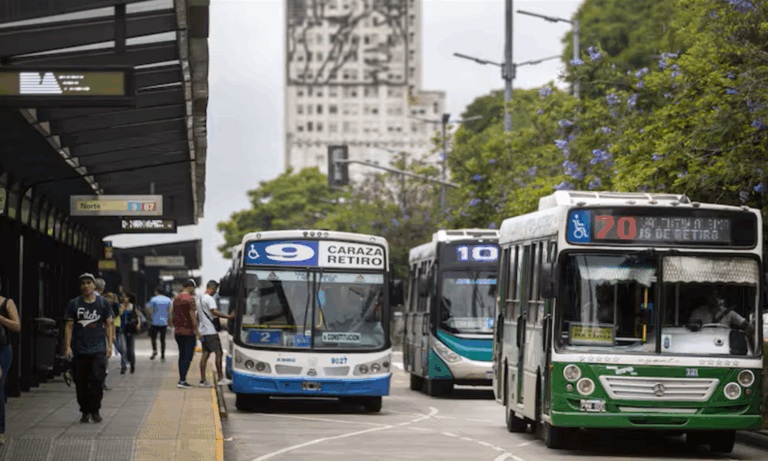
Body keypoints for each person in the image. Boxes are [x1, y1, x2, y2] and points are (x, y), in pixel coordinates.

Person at [64, 273, 113, 423]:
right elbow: (69, 326)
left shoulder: (103, 303)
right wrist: (67, 347)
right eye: (83, 283)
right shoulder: (74, 303)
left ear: (94, 285)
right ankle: (84, 410)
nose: (86, 286)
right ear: (80, 287)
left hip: (98, 349)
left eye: (89, 283)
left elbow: (109, 324)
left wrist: (110, 345)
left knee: (97, 379)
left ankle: (95, 409)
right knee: (81, 382)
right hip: (79, 349)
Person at [197, 280, 234, 387]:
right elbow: (214, 312)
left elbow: (197, 316)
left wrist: (198, 331)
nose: (215, 292)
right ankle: (220, 378)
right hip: (210, 331)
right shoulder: (209, 299)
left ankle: (203, 380)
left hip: (203, 330)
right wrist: (229, 316)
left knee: (205, 354)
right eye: (215, 290)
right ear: (212, 288)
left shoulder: (199, 299)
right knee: (219, 352)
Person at [0, 278, 20, 445]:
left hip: (2, 349)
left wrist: (0, 318)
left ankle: (0, 431)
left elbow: (16, 326)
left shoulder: (6, 303)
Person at [171, 280, 201, 389]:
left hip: (178, 332)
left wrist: (174, 325)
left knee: (182, 355)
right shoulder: (190, 299)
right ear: (190, 287)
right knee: (188, 356)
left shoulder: (176, 299)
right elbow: (192, 315)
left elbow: (173, 314)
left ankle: (182, 379)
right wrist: (197, 331)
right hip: (188, 332)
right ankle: (182, 381)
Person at [688, 290, 754, 334]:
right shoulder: (697, 312)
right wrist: (694, 326)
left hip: (724, 343)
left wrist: (744, 335)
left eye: (717, 296)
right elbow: (690, 328)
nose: (715, 299)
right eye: (712, 296)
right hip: (703, 342)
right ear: (707, 298)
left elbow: (747, 326)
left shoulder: (729, 313)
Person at [147, 287, 172, 361]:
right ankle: (163, 356)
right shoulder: (168, 300)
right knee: (162, 340)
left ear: (156, 292)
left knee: (153, 338)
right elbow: (170, 312)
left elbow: (149, 310)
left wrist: (148, 319)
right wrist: (169, 321)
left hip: (154, 322)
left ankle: (155, 350)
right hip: (164, 323)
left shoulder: (153, 299)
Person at [120, 293, 139, 374]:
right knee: (123, 349)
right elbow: (120, 313)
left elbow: (137, 316)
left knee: (131, 349)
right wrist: (123, 305)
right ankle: (123, 367)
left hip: (131, 330)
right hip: (122, 329)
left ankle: (132, 365)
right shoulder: (121, 306)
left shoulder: (133, 306)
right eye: (124, 297)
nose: (125, 298)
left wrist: (138, 325)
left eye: (127, 297)